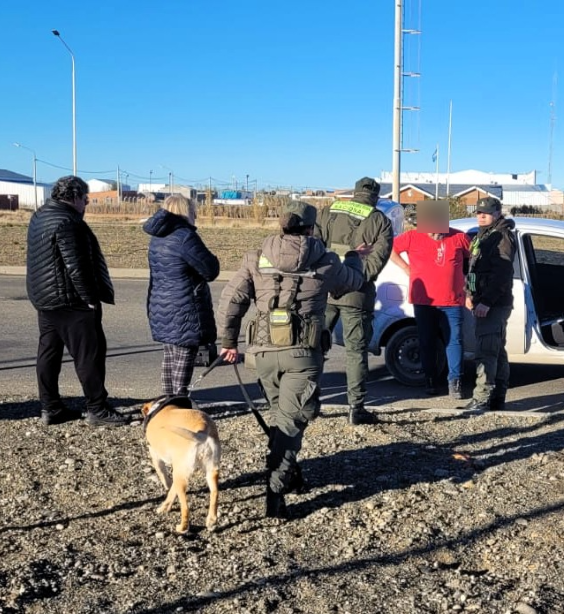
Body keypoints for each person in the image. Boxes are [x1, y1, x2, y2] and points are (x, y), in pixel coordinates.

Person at [217, 202, 367, 519]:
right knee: (289, 423)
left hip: (263, 356)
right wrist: (355, 257)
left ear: (281, 226)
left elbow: (231, 300)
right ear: (312, 229)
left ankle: (292, 474)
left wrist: (228, 341)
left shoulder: (256, 257)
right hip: (302, 357)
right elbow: (354, 282)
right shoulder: (326, 261)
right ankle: (275, 495)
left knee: (282, 418)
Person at [26, 175, 128, 426]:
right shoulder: (69, 222)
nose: (87, 204)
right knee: (89, 355)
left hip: (45, 298)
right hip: (71, 300)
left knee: (49, 353)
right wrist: (91, 299)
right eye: (86, 199)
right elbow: (77, 266)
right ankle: (97, 408)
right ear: (73, 197)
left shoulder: (40, 216)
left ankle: (50, 408)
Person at [316, 177, 393, 425]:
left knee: (313, 346)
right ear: (376, 197)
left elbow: (314, 247)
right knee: (356, 353)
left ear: (355, 193)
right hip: (356, 294)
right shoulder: (379, 220)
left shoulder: (329, 211)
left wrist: (330, 278)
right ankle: (355, 408)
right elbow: (376, 262)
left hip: (324, 290)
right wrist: (352, 280)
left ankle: (310, 402)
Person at [390, 201, 471, 399]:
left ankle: (455, 381)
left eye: (440, 231)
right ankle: (431, 380)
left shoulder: (460, 237)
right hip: (423, 300)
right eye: (432, 231)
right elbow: (390, 250)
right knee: (427, 341)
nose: (436, 235)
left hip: (452, 300)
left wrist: (470, 288)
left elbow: (475, 260)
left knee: (455, 340)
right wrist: (406, 268)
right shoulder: (411, 237)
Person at [143, 194, 220, 396]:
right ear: (186, 211)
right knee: (184, 357)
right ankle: (178, 402)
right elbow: (210, 270)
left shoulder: (158, 237)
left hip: (161, 304)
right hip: (184, 305)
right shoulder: (185, 236)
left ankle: (168, 401)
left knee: (169, 356)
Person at [462, 196, 517, 413]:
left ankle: (481, 399)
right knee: (497, 351)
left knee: (486, 352)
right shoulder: (481, 237)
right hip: (480, 301)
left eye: (486, 212)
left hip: (493, 304)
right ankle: (497, 399)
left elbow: (502, 274)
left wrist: (486, 301)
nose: (481, 215)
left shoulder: (501, 237)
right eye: (478, 212)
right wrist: (469, 294)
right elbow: (473, 270)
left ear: (496, 214)